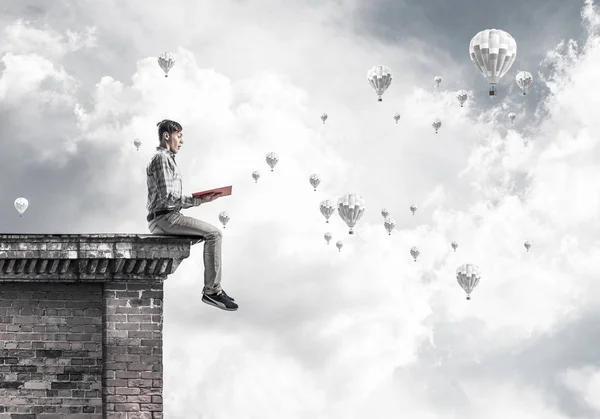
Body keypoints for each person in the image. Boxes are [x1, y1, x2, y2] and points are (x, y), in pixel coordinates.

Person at [146, 119, 238, 312]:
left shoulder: (168, 159)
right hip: (165, 218)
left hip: (167, 216)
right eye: (179, 136)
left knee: (208, 235)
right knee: (215, 234)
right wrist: (198, 200)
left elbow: (171, 198)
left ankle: (214, 288)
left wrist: (202, 198)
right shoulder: (161, 158)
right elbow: (168, 197)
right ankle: (212, 291)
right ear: (166, 135)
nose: (181, 141)